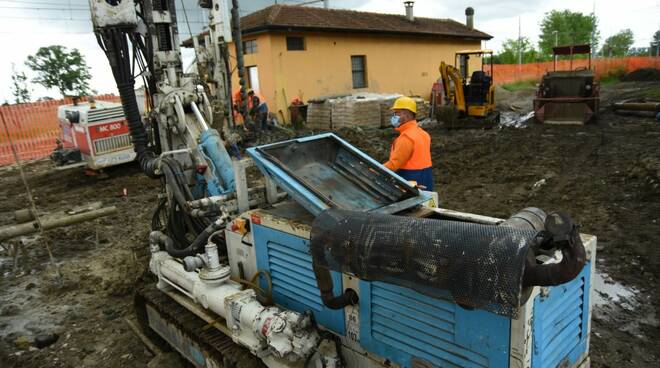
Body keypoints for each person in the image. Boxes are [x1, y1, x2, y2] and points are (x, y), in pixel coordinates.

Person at [383, 96, 434, 190]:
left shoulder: (406, 137)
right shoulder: (423, 134)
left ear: (407, 115)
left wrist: (374, 170)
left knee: (412, 205)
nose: (394, 116)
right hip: (426, 179)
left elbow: (394, 164)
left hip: (410, 181)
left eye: (396, 113)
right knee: (429, 204)